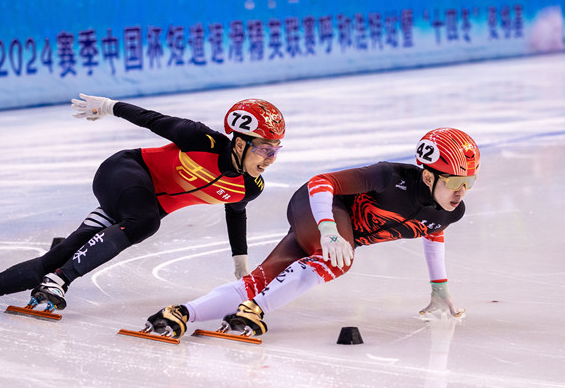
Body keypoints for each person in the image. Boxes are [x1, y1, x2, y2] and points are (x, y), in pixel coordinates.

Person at [145, 127, 480, 339]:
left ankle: (179, 313)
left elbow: (434, 231)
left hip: (330, 230)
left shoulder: (452, 212)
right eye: (455, 183)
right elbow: (323, 182)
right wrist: (330, 229)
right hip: (318, 207)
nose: (461, 191)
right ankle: (254, 311)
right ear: (427, 177)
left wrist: (439, 289)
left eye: (469, 183)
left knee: (260, 280)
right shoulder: (388, 176)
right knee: (339, 259)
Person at [0, 93, 286, 311]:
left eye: (275, 151)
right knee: (146, 222)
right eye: (264, 150)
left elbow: (236, 214)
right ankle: (59, 281)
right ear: (239, 143)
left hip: (136, 207)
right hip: (124, 173)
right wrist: (108, 106)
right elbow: (151, 119)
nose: (270, 160)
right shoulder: (199, 139)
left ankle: (48, 274)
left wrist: (241, 265)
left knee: (56, 257)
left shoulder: (250, 186)